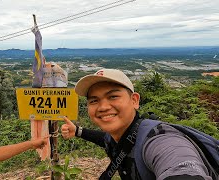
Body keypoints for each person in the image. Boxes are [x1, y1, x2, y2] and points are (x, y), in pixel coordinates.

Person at [61, 69, 214, 180]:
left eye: (113, 96)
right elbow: (105, 139)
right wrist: (78, 131)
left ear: (134, 100)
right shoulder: (120, 136)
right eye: (94, 101)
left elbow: (178, 162)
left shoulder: (160, 139)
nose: (103, 107)